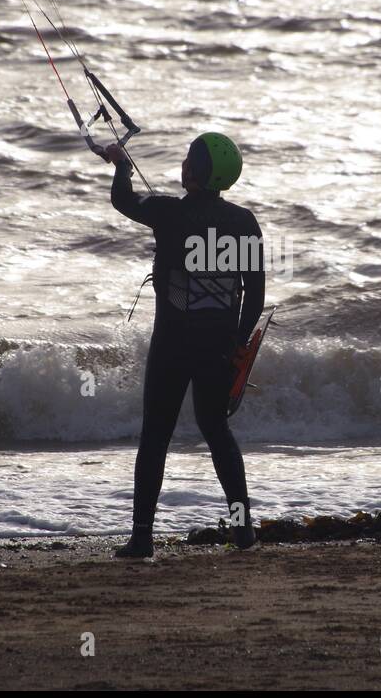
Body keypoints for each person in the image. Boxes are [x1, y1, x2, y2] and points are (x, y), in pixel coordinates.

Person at [106, 132, 265, 558]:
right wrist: (236, 345)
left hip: (173, 345)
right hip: (218, 347)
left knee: (156, 435)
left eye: (188, 159)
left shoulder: (169, 213)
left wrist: (121, 164)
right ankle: (242, 529)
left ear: (193, 171)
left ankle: (142, 538)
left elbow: (123, 200)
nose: (183, 163)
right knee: (217, 430)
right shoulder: (244, 223)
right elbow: (255, 297)